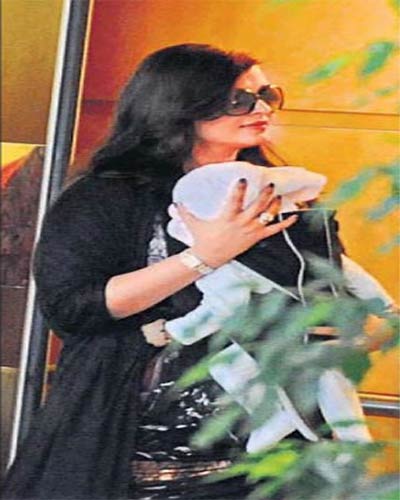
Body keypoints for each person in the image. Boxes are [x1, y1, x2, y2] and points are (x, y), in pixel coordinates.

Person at [2, 44, 300, 500]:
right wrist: (203, 256)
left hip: (261, 453)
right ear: (181, 106)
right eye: (239, 100)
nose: (261, 110)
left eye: (267, 95)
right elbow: (73, 308)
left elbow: (311, 293)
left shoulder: (276, 192)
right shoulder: (107, 196)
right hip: (128, 447)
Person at [145, 161, 394, 454]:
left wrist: (174, 331)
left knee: (229, 366)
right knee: (334, 386)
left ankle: (281, 419)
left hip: (281, 338)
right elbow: (350, 275)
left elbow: (223, 307)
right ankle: (333, 437)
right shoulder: (307, 242)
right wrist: (386, 307)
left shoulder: (233, 261)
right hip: (324, 325)